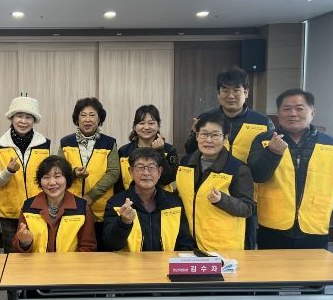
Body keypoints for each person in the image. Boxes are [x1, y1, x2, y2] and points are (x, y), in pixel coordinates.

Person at [248, 88, 333, 249]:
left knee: (313, 267)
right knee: (272, 266)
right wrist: (271, 153)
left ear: (312, 112)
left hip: (315, 227)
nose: (293, 113)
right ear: (278, 113)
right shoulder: (263, 140)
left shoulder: (332, 145)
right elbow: (256, 176)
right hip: (273, 227)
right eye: (286, 109)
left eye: (299, 108)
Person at [183, 67, 272, 249]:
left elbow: (267, 162)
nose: (231, 95)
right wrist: (193, 135)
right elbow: (191, 151)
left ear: (246, 93)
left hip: (246, 190)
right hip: (210, 185)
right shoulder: (206, 118)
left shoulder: (262, 122)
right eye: (225, 90)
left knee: (243, 240)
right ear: (218, 94)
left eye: (236, 90)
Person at [176, 113, 255, 251]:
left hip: (224, 247)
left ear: (225, 138)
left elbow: (248, 208)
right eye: (204, 134)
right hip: (189, 244)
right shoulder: (185, 163)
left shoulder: (238, 169)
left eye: (215, 135)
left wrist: (222, 200)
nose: (208, 140)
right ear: (197, 136)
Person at [103, 148, 193, 252]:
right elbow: (110, 244)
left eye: (151, 167)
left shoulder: (174, 203)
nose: (146, 173)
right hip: (129, 262)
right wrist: (123, 222)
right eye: (140, 167)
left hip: (166, 261)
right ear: (131, 171)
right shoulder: (116, 203)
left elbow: (185, 244)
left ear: (159, 172)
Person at [0, 96, 50, 253]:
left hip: (39, 210)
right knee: (13, 257)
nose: (23, 121)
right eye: (19, 116)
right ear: (12, 118)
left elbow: (51, 179)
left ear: (34, 120)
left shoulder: (45, 144)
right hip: (10, 214)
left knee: (40, 252)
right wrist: (8, 171)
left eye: (28, 117)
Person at [58, 97, 119, 249]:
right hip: (71, 206)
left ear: (99, 119)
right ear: (77, 119)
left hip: (101, 208)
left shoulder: (109, 142)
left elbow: (113, 173)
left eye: (92, 115)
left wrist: (91, 196)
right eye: (83, 115)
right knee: (74, 250)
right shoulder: (65, 142)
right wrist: (74, 173)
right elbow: (58, 171)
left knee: (102, 252)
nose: (87, 119)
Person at [12, 155, 96, 252]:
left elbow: (88, 247)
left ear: (67, 179)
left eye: (57, 176)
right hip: (36, 261)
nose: (52, 182)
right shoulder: (28, 206)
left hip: (70, 262)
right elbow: (17, 248)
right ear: (40, 181)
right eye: (46, 177)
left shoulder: (81, 207)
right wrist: (24, 243)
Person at [117, 104, 178, 193]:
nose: (146, 127)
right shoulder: (124, 151)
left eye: (151, 123)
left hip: (162, 199)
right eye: (141, 123)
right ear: (134, 127)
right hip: (130, 199)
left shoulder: (169, 150)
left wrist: (159, 152)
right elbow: (119, 184)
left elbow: (168, 179)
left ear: (158, 126)